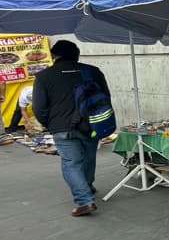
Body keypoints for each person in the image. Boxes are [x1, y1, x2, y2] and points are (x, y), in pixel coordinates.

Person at [33, 40, 111, 216]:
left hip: (62, 127)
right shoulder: (92, 71)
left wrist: (49, 123)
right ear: (77, 54)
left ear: (54, 55)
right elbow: (105, 97)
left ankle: (84, 201)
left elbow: (38, 107)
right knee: (89, 157)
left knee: (71, 163)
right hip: (91, 123)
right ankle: (87, 186)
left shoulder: (44, 76)